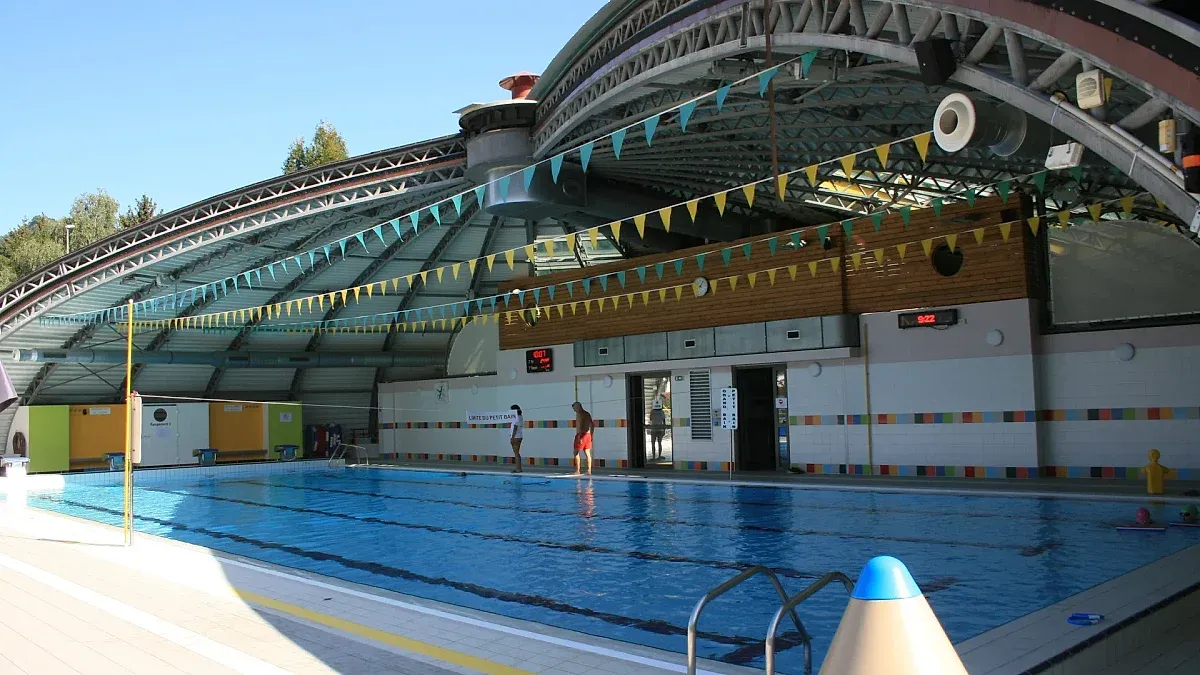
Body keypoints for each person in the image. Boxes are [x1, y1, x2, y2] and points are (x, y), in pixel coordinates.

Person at [571, 401, 594, 476]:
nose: (574, 410)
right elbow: (592, 425)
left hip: (581, 435)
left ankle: (577, 470)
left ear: (578, 407)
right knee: (587, 453)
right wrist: (591, 435)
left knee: (576, 452)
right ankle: (589, 471)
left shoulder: (580, 414)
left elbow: (580, 425)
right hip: (588, 435)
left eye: (574, 408)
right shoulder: (587, 414)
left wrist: (579, 436)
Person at [648, 395, 666, 461]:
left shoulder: (652, 412)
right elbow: (664, 421)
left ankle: (653, 457)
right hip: (660, 429)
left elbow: (650, 419)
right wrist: (664, 430)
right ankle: (659, 456)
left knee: (653, 443)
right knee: (659, 443)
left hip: (653, 429)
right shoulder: (662, 412)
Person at [509, 404, 524, 473]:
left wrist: (512, 437)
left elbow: (515, 427)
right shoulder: (520, 416)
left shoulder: (516, 417)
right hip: (519, 436)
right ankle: (519, 468)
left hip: (516, 437)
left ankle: (518, 469)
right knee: (517, 453)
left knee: (516, 453)